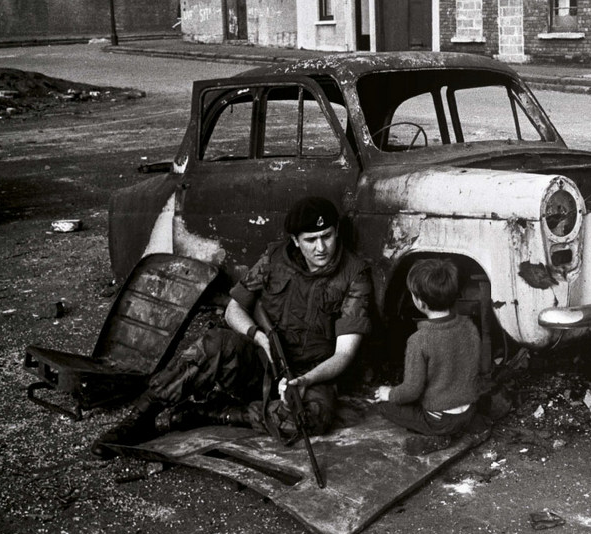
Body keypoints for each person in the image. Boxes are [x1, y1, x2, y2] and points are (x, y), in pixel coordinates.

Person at [91, 196, 372, 459]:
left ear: (337, 232)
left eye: (327, 236)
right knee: (213, 345)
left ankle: (210, 414)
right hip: (264, 359)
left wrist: (304, 381)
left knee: (306, 418)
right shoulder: (274, 259)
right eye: (311, 240)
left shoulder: (354, 274)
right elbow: (234, 309)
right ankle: (139, 418)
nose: (321, 248)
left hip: (313, 373)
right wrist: (258, 336)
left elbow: (344, 355)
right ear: (296, 242)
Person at [374, 259, 482, 455]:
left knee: (384, 406)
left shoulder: (419, 340)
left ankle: (437, 437)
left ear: (420, 302)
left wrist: (389, 393)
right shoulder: (469, 326)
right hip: (470, 410)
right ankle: (465, 427)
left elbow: (411, 392)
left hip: (439, 420)